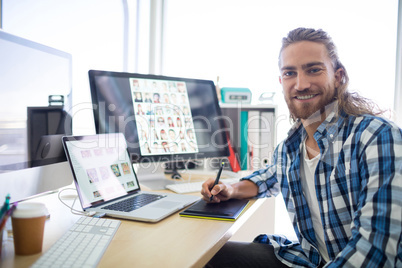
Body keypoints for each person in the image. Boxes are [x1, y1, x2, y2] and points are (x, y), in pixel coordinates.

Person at [201, 27, 402, 268]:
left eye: (314, 70)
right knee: (210, 257)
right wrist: (230, 189)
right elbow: (266, 178)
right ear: (281, 81)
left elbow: (375, 249)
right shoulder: (290, 147)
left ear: (338, 76)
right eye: (289, 73)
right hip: (310, 261)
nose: (301, 84)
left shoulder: (376, 136)